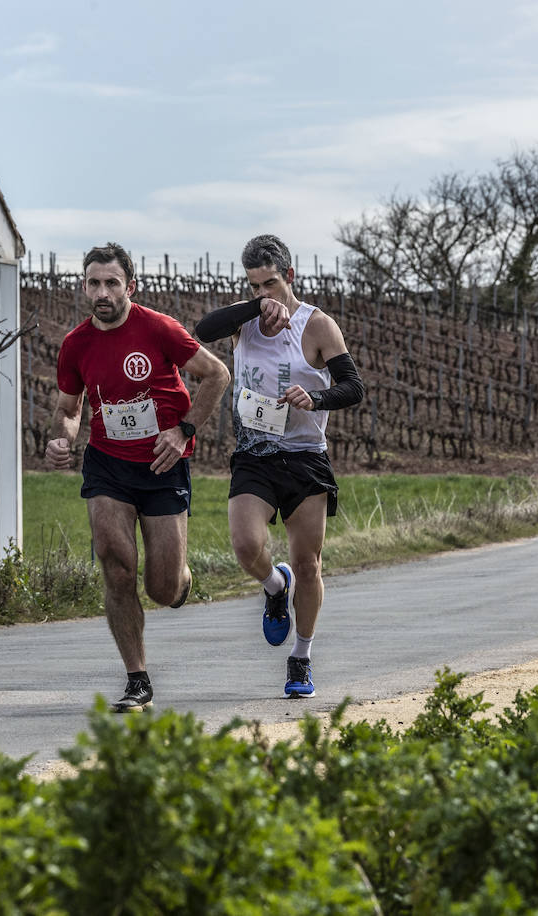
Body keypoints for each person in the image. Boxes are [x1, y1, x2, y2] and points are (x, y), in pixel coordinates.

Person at [46, 242, 230, 712]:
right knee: (116, 563)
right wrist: (62, 438)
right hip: (107, 464)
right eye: (94, 283)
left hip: (162, 464)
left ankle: (181, 580)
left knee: (161, 589)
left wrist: (184, 431)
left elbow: (217, 374)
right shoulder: (76, 344)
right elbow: (69, 409)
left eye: (111, 283)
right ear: (84, 287)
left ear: (130, 286)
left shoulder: (159, 329)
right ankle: (137, 680)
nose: (102, 292)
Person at [195, 234, 365, 698]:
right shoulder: (244, 320)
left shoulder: (317, 325)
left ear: (289, 276)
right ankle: (274, 586)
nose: (263, 292)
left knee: (308, 565)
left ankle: (301, 658)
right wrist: (255, 307)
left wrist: (316, 398)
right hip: (255, 454)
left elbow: (353, 387)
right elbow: (203, 330)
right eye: (254, 286)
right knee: (246, 545)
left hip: (305, 457)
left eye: (270, 283)